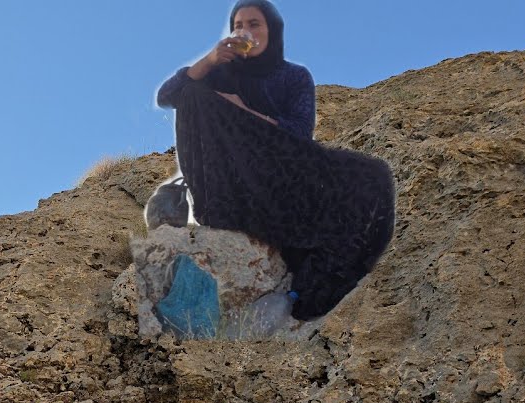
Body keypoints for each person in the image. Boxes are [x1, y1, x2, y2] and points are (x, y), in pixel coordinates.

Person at [155, 0, 396, 321]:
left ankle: (311, 286)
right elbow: (167, 96)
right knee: (192, 92)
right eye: (238, 25)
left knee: (370, 174)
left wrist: (243, 111)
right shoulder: (220, 74)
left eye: (254, 24)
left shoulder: (294, 77)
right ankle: (215, 209)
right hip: (227, 186)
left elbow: (299, 133)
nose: (245, 32)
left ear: (272, 30)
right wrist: (209, 60)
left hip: (279, 175)